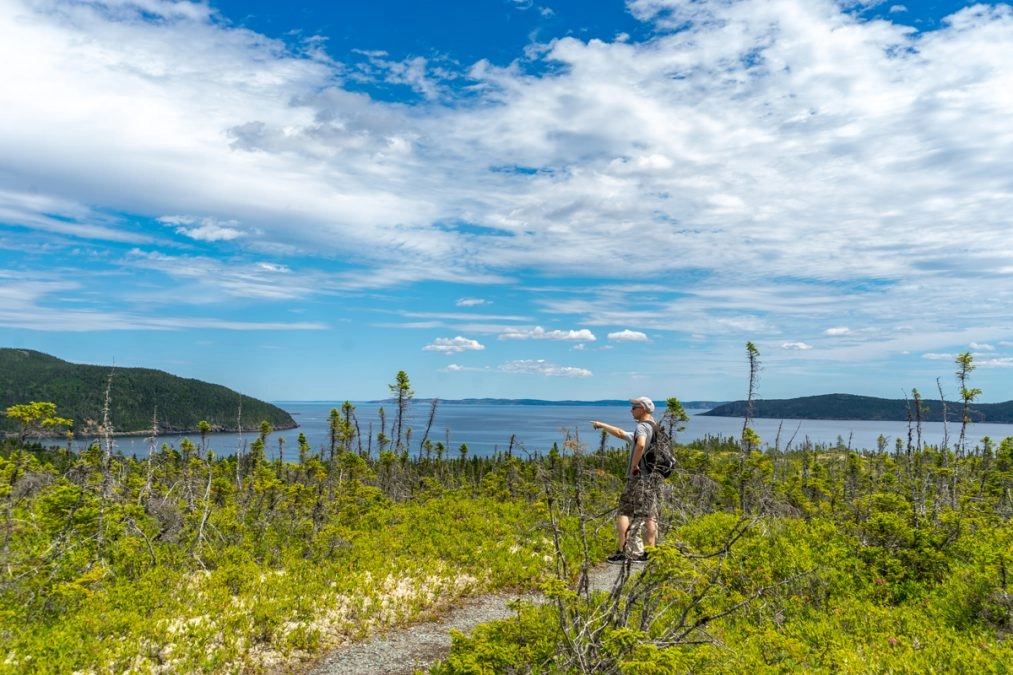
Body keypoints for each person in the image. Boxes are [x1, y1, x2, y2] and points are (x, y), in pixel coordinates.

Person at [591, 396, 660, 564]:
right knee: (649, 514)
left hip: (638, 478)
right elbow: (622, 434)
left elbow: (641, 444)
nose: (631, 410)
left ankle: (627, 552)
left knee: (624, 513)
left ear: (642, 409)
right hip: (651, 478)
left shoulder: (642, 427)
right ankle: (650, 551)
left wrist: (634, 465)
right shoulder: (655, 427)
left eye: (634, 407)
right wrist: (602, 425)